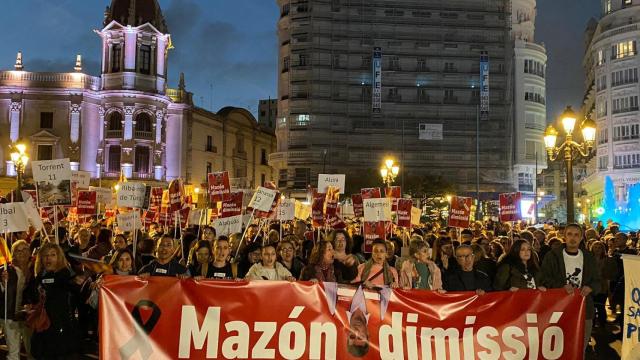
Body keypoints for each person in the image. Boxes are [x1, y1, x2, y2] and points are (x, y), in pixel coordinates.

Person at [538, 223, 601, 355]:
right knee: (559, 349)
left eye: (576, 235)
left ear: (582, 238)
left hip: (584, 310)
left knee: (580, 348)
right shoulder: (552, 256)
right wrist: (561, 286)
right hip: (559, 309)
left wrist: (590, 287)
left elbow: (597, 281)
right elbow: (543, 278)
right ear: (564, 236)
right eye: (570, 234)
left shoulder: (588, 257)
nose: (573, 238)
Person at [30, 242, 81, 359]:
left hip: (60, 325)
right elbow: (31, 295)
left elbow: (74, 289)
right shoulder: (39, 276)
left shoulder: (65, 274)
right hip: (42, 324)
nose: (49, 258)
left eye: (53, 255)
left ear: (59, 257)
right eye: (46, 255)